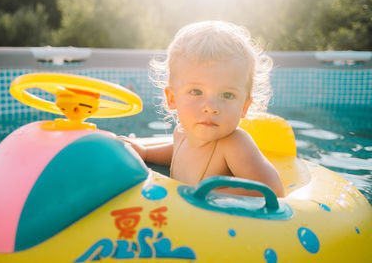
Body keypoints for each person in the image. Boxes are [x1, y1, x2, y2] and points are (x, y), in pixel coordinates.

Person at [119, 21, 285, 197]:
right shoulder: (181, 133)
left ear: (244, 106)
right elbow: (176, 150)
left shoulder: (234, 145)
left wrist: (212, 195)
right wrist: (145, 152)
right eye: (196, 91)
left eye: (227, 95)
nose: (211, 107)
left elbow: (273, 191)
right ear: (172, 98)